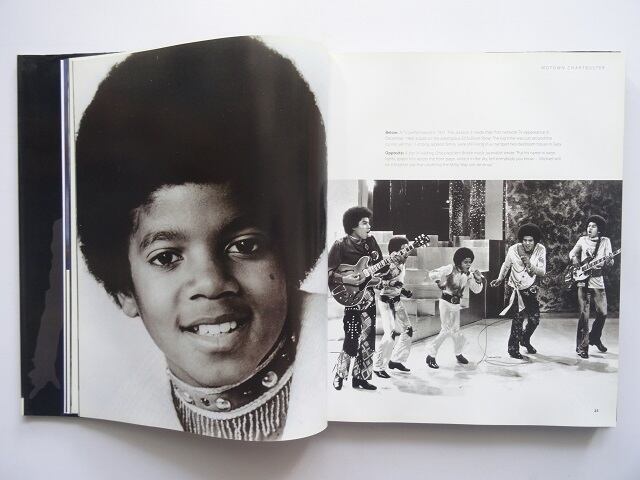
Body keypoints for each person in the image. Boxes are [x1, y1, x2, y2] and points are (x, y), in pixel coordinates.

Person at [75, 37, 326, 440]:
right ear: (124, 289)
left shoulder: (337, 349)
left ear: (292, 252)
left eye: (244, 246)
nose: (210, 282)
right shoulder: (110, 418)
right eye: (166, 257)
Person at [328, 207, 387, 391]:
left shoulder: (371, 242)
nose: (369, 226)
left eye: (369, 222)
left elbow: (381, 267)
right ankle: (340, 374)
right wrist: (345, 279)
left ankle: (361, 378)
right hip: (351, 298)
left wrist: (391, 262)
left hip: (368, 296)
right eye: (364, 223)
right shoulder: (340, 245)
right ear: (353, 226)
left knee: (368, 338)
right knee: (352, 336)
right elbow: (328, 272)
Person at [490, 223, 546, 359]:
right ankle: (513, 349)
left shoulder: (540, 249)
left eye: (530, 240)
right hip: (515, 288)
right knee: (518, 319)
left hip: (529, 289)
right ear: (521, 240)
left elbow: (542, 272)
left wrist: (530, 265)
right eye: (525, 240)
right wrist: (500, 279)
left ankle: (525, 339)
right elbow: (506, 265)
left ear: (535, 240)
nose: (527, 243)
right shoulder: (513, 250)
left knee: (534, 319)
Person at [426, 247, 484, 369]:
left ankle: (458, 353)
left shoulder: (469, 275)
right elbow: (432, 273)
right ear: (459, 261)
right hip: (445, 302)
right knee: (446, 330)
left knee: (456, 331)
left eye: (470, 262)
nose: (468, 264)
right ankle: (431, 355)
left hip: (456, 304)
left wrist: (478, 279)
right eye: (465, 262)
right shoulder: (450, 268)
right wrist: (438, 282)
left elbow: (476, 290)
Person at [570, 215, 614, 359]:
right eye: (588, 226)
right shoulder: (582, 240)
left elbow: (610, 263)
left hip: (598, 281)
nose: (590, 228)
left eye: (593, 226)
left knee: (603, 313)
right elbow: (572, 253)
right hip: (583, 281)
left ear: (599, 229)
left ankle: (594, 337)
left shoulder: (605, 241)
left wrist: (609, 260)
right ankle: (582, 347)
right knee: (584, 315)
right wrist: (574, 258)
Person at [372, 236, 414, 379]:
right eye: (404, 249)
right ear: (395, 251)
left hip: (397, 301)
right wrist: (390, 284)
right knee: (389, 335)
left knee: (408, 331)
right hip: (386, 302)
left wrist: (404, 291)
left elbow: (397, 282)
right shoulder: (387, 264)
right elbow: (375, 282)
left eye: (407, 248)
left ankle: (396, 360)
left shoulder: (402, 264)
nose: (407, 251)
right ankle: (378, 367)